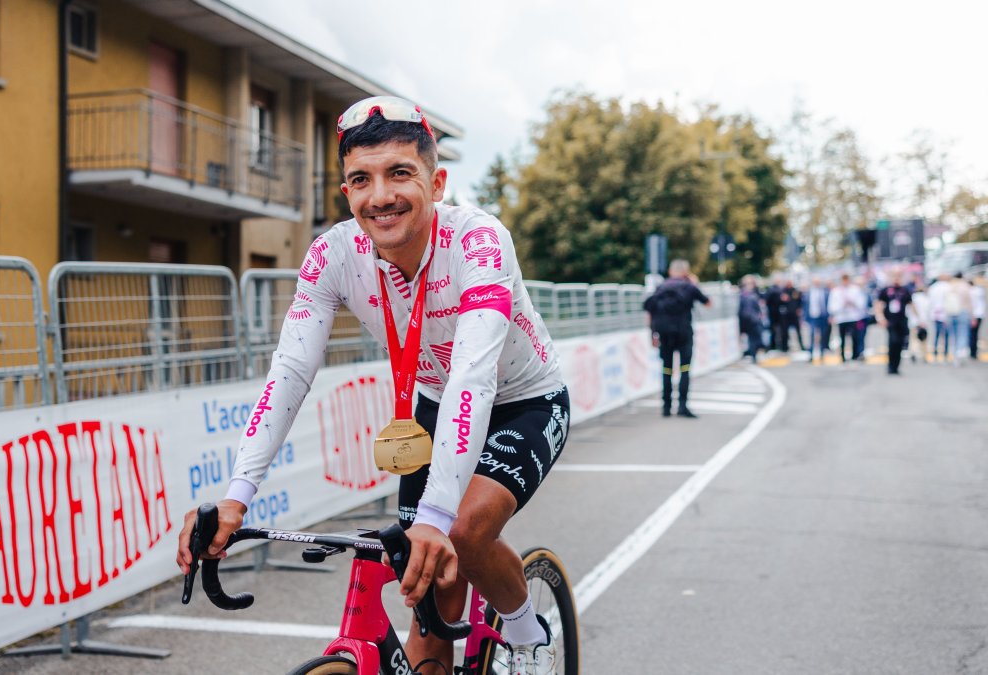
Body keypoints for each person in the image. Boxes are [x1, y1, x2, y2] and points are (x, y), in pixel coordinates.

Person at [174, 96, 569, 675]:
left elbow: (473, 375)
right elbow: (290, 372)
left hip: (522, 401)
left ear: (437, 183)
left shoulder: (479, 241)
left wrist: (436, 517)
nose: (380, 195)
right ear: (346, 192)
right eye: (362, 179)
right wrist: (236, 496)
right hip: (435, 406)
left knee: (458, 531)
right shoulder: (333, 254)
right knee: (426, 600)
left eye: (400, 174)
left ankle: (524, 626)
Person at [643, 259, 711, 417]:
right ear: (686, 272)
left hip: (664, 334)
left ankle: (666, 407)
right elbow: (708, 303)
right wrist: (695, 283)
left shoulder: (660, 287)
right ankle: (682, 406)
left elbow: (649, 311)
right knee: (684, 369)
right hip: (684, 333)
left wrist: (652, 334)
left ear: (670, 271)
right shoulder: (689, 286)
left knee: (666, 369)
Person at [875, 266, 912, 375]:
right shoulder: (886, 290)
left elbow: (911, 305)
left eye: (899, 275)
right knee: (893, 341)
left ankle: (896, 366)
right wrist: (880, 317)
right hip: (890, 320)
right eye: (894, 275)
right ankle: (890, 366)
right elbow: (879, 305)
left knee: (900, 343)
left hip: (902, 320)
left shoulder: (905, 290)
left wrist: (919, 320)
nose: (896, 278)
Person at [828, 273, 866, 364]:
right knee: (842, 337)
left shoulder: (855, 290)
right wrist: (842, 305)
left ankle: (855, 355)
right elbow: (831, 307)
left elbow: (862, 304)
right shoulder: (835, 291)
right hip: (841, 318)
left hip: (853, 317)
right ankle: (842, 357)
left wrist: (853, 303)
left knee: (855, 337)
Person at [948, 272, 973, 365]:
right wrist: (972, 315)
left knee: (953, 335)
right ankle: (960, 353)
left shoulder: (951, 286)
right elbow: (969, 302)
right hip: (963, 312)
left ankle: (955, 355)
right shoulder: (965, 286)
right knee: (962, 334)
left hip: (952, 313)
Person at [803, 276, 830, 363]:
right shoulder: (808, 293)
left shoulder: (825, 292)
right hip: (812, 317)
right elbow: (805, 306)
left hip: (823, 317)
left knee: (823, 336)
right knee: (812, 335)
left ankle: (821, 354)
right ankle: (811, 354)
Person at [738, 275, 763, 363]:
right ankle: (753, 355)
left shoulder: (752, 293)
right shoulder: (745, 294)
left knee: (755, 339)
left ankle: (753, 354)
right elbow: (745, 310)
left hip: (753, 319)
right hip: (751, 320)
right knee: (753, 339)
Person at [929, 273, 952, 362]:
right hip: (946, 313)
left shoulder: (933, 287)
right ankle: (945, 354)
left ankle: (935, 353)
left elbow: (930, 302)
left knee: (937, 334)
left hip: (935, 313)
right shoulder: (948, 287)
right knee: (946, 335)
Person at [970, 276, 985, 359]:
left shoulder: (973, 291)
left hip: (975, 316)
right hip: (980, 315)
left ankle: (973, 352)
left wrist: (973, 317)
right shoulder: (980, 291)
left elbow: (973, 305)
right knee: (975, 334)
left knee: (973, 334)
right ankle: (974, 352)